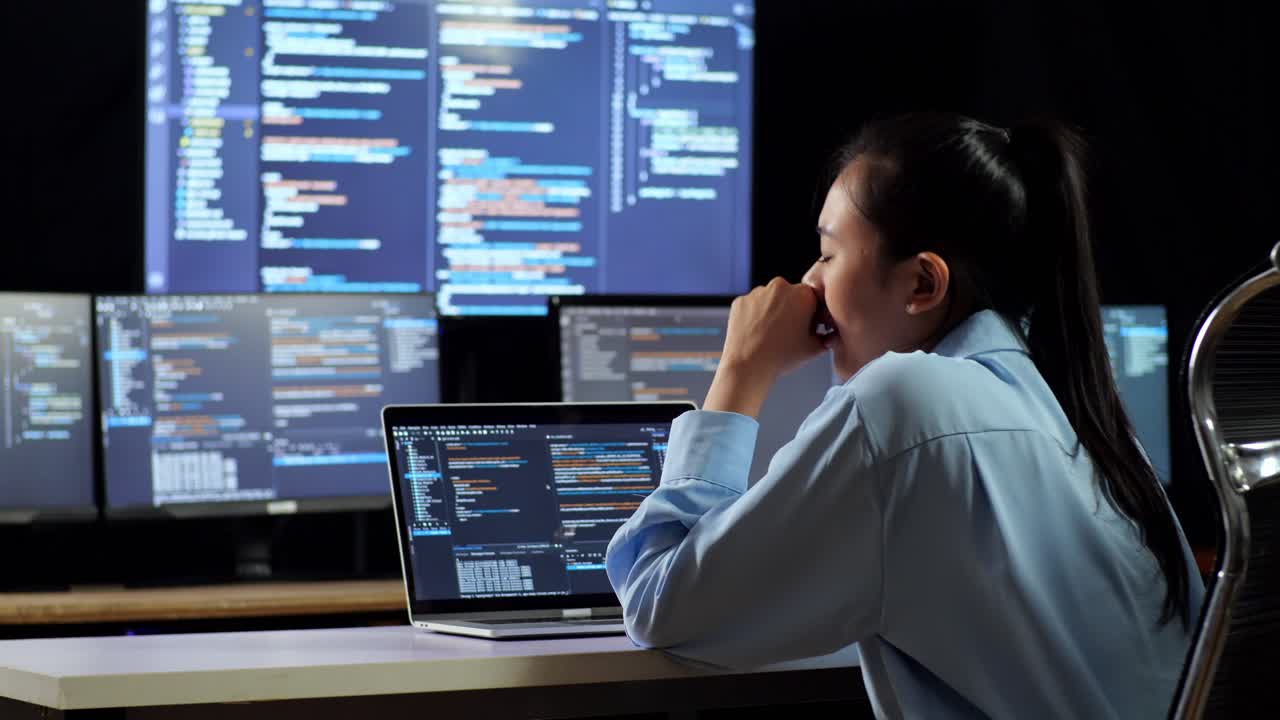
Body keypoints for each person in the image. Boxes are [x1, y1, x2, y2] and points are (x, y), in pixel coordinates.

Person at [604, 112, 1204, 719]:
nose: (807, 283)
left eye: (828, 255)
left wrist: (739, 370)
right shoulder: (1086, 415)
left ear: (921, 283)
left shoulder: (903, 402)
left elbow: (664, 608)